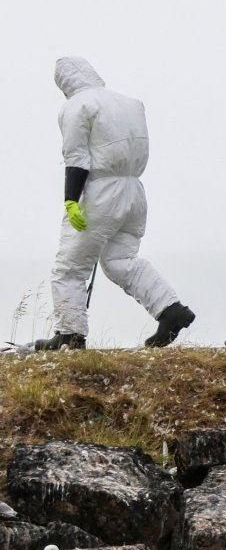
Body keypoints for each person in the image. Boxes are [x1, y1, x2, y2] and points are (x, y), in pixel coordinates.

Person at [36, 57, 194, 351]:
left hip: (100, 192)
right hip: (134, 191)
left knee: (69, 267)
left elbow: (77, 158)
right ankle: (172, 310)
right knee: (121, 261)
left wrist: (72, 200)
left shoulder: (77, 106)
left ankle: (69, 335)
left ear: (64, 83)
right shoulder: (130, 103)